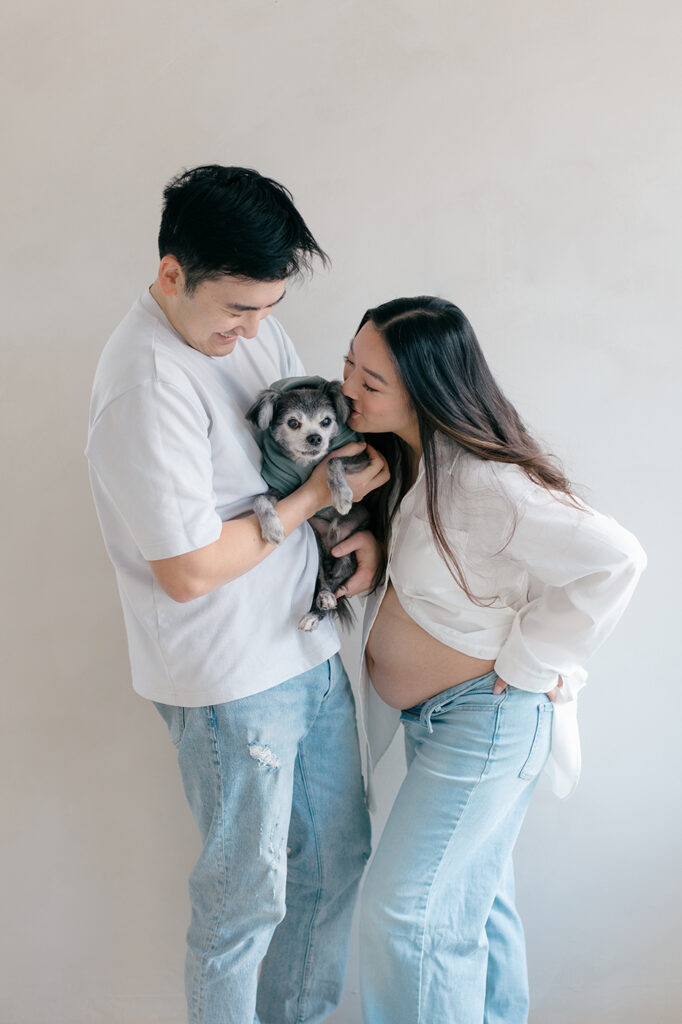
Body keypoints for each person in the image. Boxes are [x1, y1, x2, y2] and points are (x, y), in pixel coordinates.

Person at [85, 165, 389, 1024]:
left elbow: (304, 454)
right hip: (229, 683)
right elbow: (185, 572)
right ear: (171, 272)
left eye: (269, 308)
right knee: (242, 904)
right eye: (236, 309)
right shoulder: (144, 383)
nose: (254, 330)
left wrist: (347, 530)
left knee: (334, 865)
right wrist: (311, 503)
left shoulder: (252, 330)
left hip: (305, 646)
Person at [336, 295, 646, 1024]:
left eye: (370, 382)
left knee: (406, 914)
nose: (347, 387)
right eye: (349, 363)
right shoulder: (413, 464)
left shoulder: (484, 481)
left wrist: (535, 660)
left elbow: (618, 560)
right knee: (475, 905)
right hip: (443, 724)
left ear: (427, 390)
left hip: (487, 721)